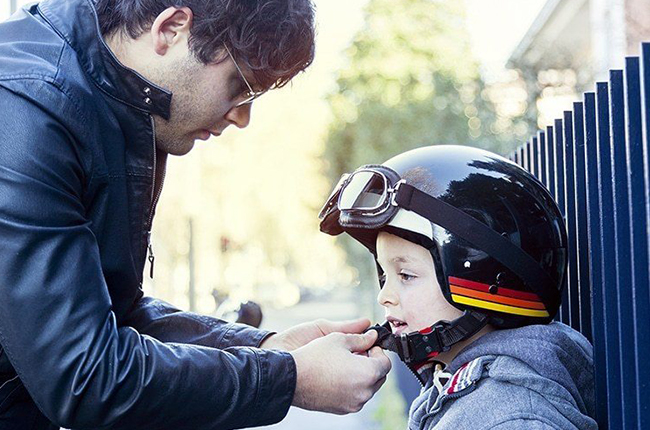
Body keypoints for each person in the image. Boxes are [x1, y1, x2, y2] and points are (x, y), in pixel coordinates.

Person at [0, 0, 391, 429]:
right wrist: (289, 379)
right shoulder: (25, 108)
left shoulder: (115, 103)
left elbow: (116, 315)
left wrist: (266, 346)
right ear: (171, 28)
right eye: (240, 87)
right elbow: (85, 375)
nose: (242, 117)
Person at [319, 145, 597, 429]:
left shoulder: (511, 419)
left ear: (484, 277)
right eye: (384, 273)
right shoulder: (458, 386)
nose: (384, 296)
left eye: (405, 275)